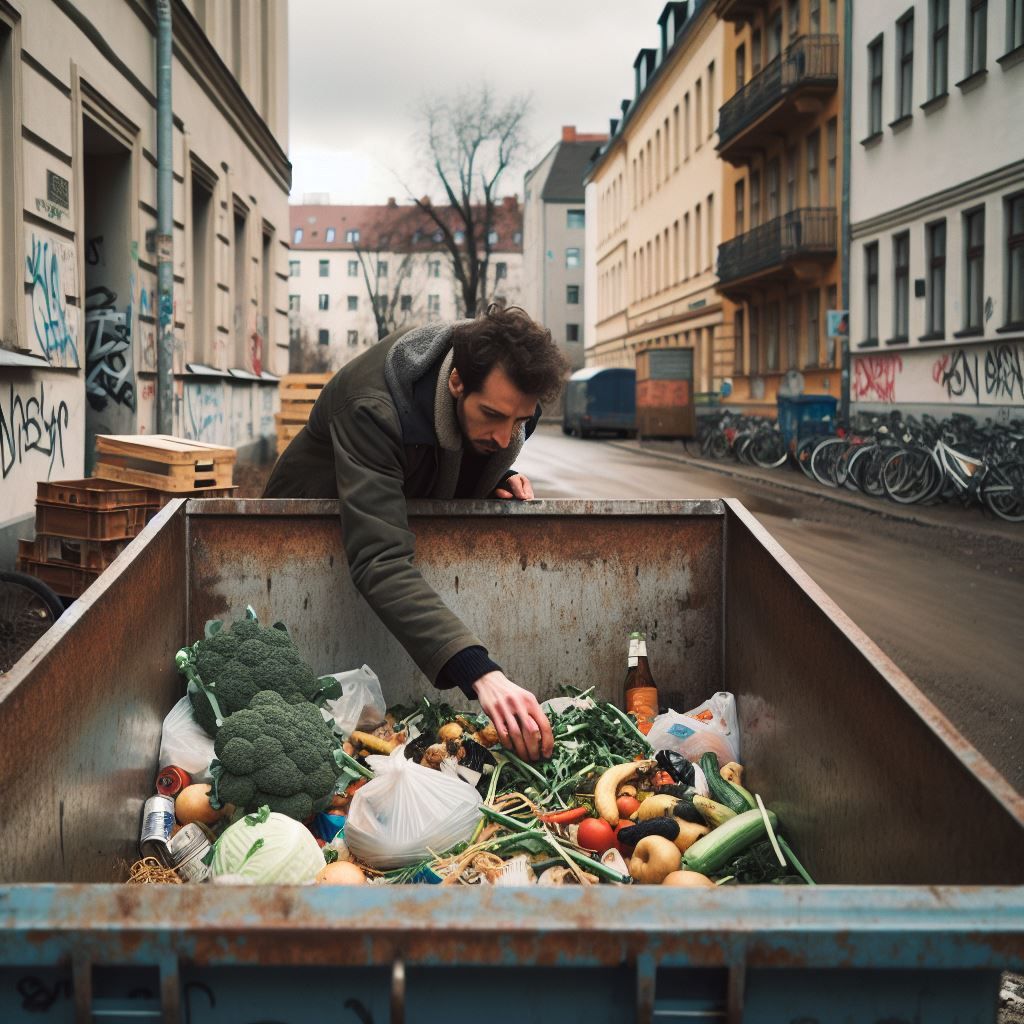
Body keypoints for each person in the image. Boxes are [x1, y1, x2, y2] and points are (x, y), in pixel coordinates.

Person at [264, 305, 566, 761]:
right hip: (292, 558)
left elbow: (452, 454)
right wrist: (481, 674)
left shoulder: (503, 410)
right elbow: (380, 560)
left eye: (519, 422)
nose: (505, 438)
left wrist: (492, 478)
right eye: (493, 415)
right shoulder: (373, 406)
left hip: (386, 549)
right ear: (456, 382)